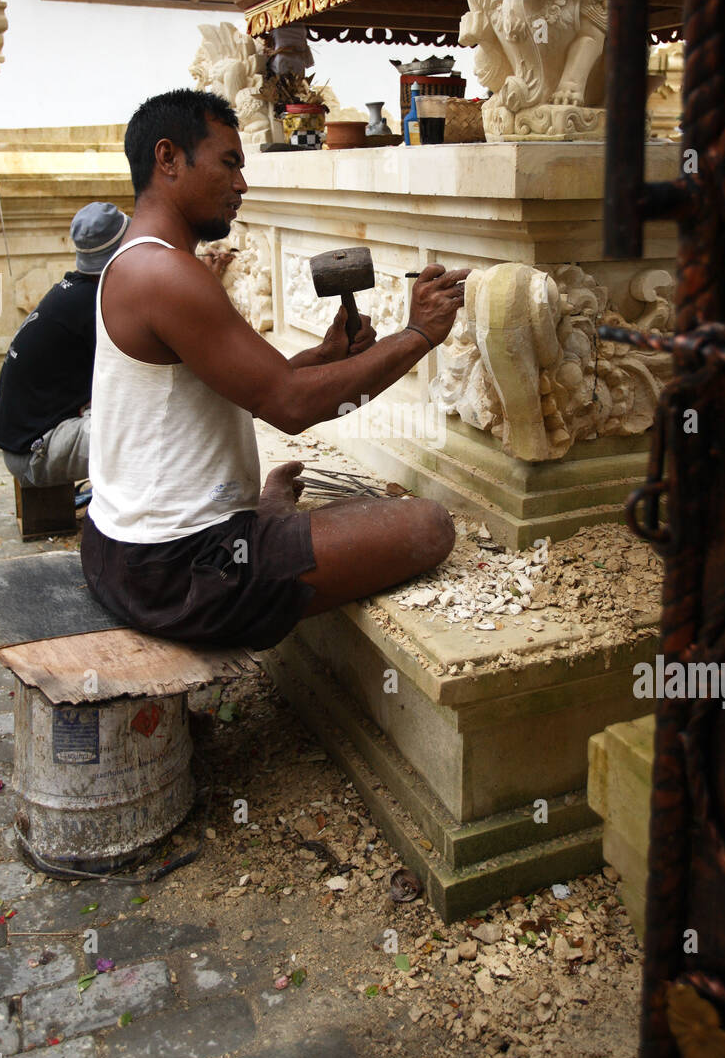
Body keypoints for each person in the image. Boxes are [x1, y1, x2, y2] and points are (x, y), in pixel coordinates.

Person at [81, 88, 470, 653]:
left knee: (324, 512)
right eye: (229, 164)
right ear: (168, 158)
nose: (242, 185)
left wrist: (328, 358)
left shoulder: (143, 261)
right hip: (177, 570)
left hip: (121, 552)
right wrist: (421, 335)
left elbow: (242, 384)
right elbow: (290, 407)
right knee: (427, 527)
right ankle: (259, 532)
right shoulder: (165, 275)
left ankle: (262, 521)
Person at [0, 202, 131, 488]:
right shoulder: (96, 305)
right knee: (149, 427)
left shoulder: (77, 292)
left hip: (26, 442)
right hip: (34, 451)